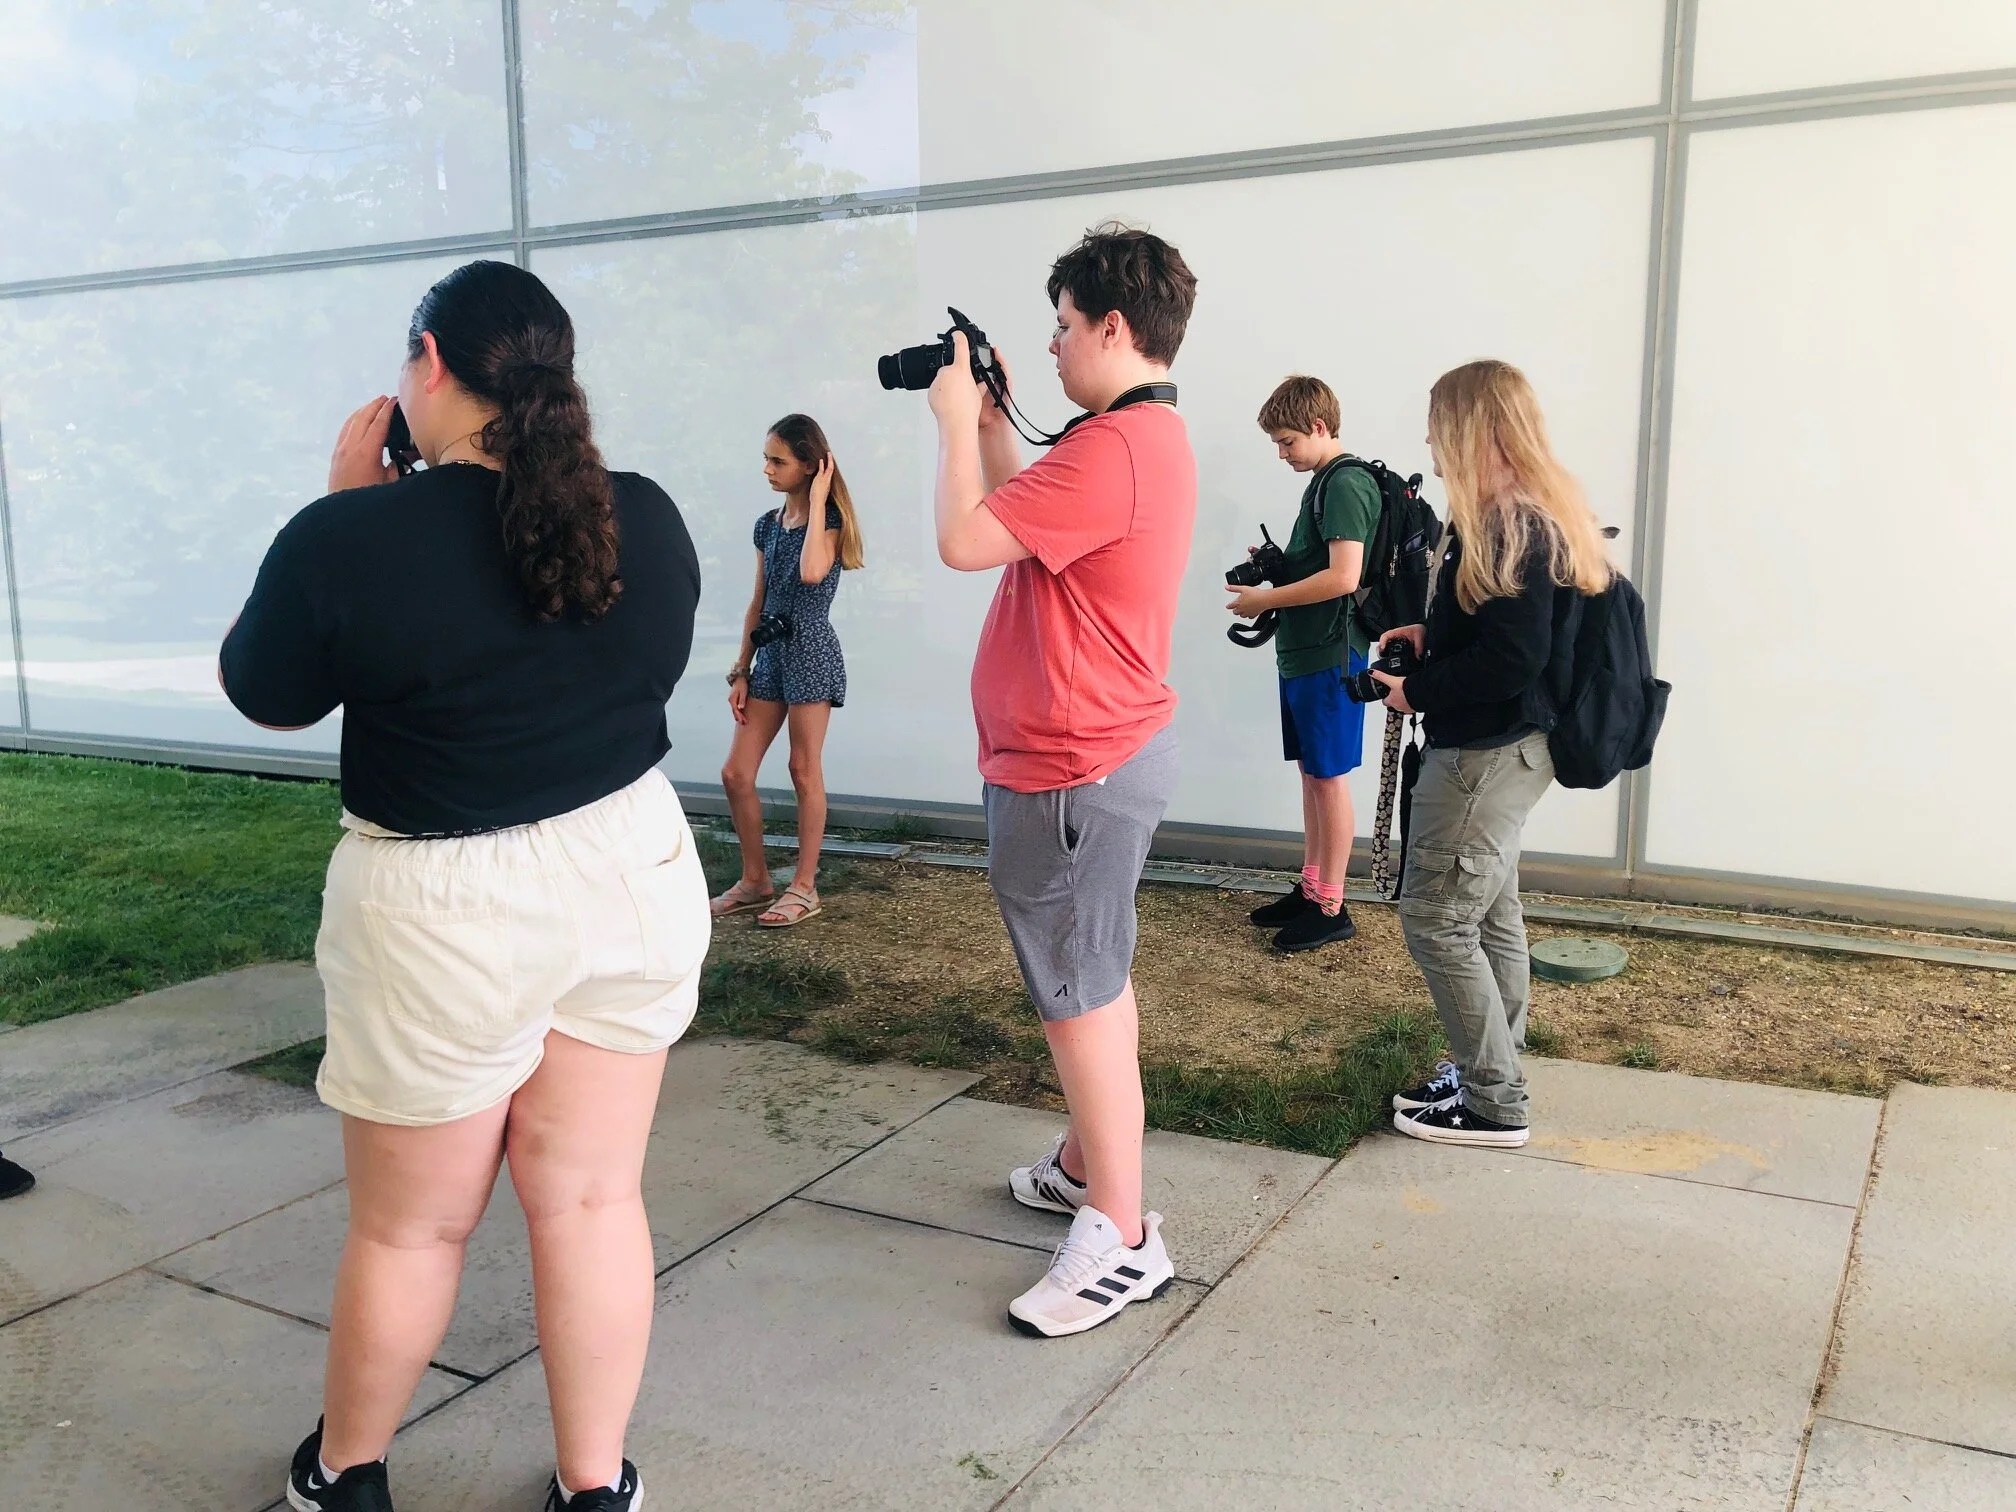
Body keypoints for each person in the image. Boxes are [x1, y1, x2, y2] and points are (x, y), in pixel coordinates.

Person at [219, 260, 706, 1512]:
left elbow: (268, 693)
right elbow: (642, 664)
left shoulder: (349, 537)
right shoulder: (644, 515)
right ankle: (595, 1488)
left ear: (429, 363)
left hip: (442, 907)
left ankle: (347, 1476)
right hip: (630, 862)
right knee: (592, 1199)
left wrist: (349, 515)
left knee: (411, 1228)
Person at [925, 221, 1198, 1337]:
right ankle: (1089, 1167)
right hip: (1089, 757)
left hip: (1073, 768)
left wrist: (953, 424)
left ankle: (1122, 1238)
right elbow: (1025, 525)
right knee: (1095, 977)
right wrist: (996, 427)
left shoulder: (1115, 448)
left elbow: (963, 540)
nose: (1050, 345)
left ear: (1113, 327)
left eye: (1064, 325)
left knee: (1077, 993)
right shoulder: (1132, 441)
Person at [1373, 359, 1612, 1148]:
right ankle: (1491, 1067)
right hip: (1506, 752)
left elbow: (1513, 658)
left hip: (1483, 756)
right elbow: (1505, 634)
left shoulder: (1509, 524)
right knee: (1491, 914)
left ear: (1474, 430)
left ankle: (1493, 1101)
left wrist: (1416, 691)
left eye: (1439, 430)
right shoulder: (1531, 513)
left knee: (1438, 920)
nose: (1431, 449)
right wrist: (1429, 635)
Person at [1231, 375, 1383, 953]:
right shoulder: (1323, 482)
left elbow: (1345, 577)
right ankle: (1314, 886)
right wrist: (1282, 569)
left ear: (1319, 427)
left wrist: (1265, 598)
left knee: (1329, 777)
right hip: (1306, 652)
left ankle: (1331, 905)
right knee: (1314, 775)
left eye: (1287, 441)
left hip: (1331, 653)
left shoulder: (1345, 483)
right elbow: (1323, 566)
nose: (1282, 453)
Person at [712, 413, 864, 929]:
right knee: (736, 774)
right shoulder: (766, 525)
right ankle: (755, 880)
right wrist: (741, 669)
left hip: (811, 650)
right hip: (771, 654)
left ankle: (804, 886)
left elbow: (811, 572)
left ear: (809, 466)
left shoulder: (831, 522)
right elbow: (758, 601)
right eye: (766, 459)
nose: (767, 469)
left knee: (803, 768)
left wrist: (818, 501)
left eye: (778, 461)